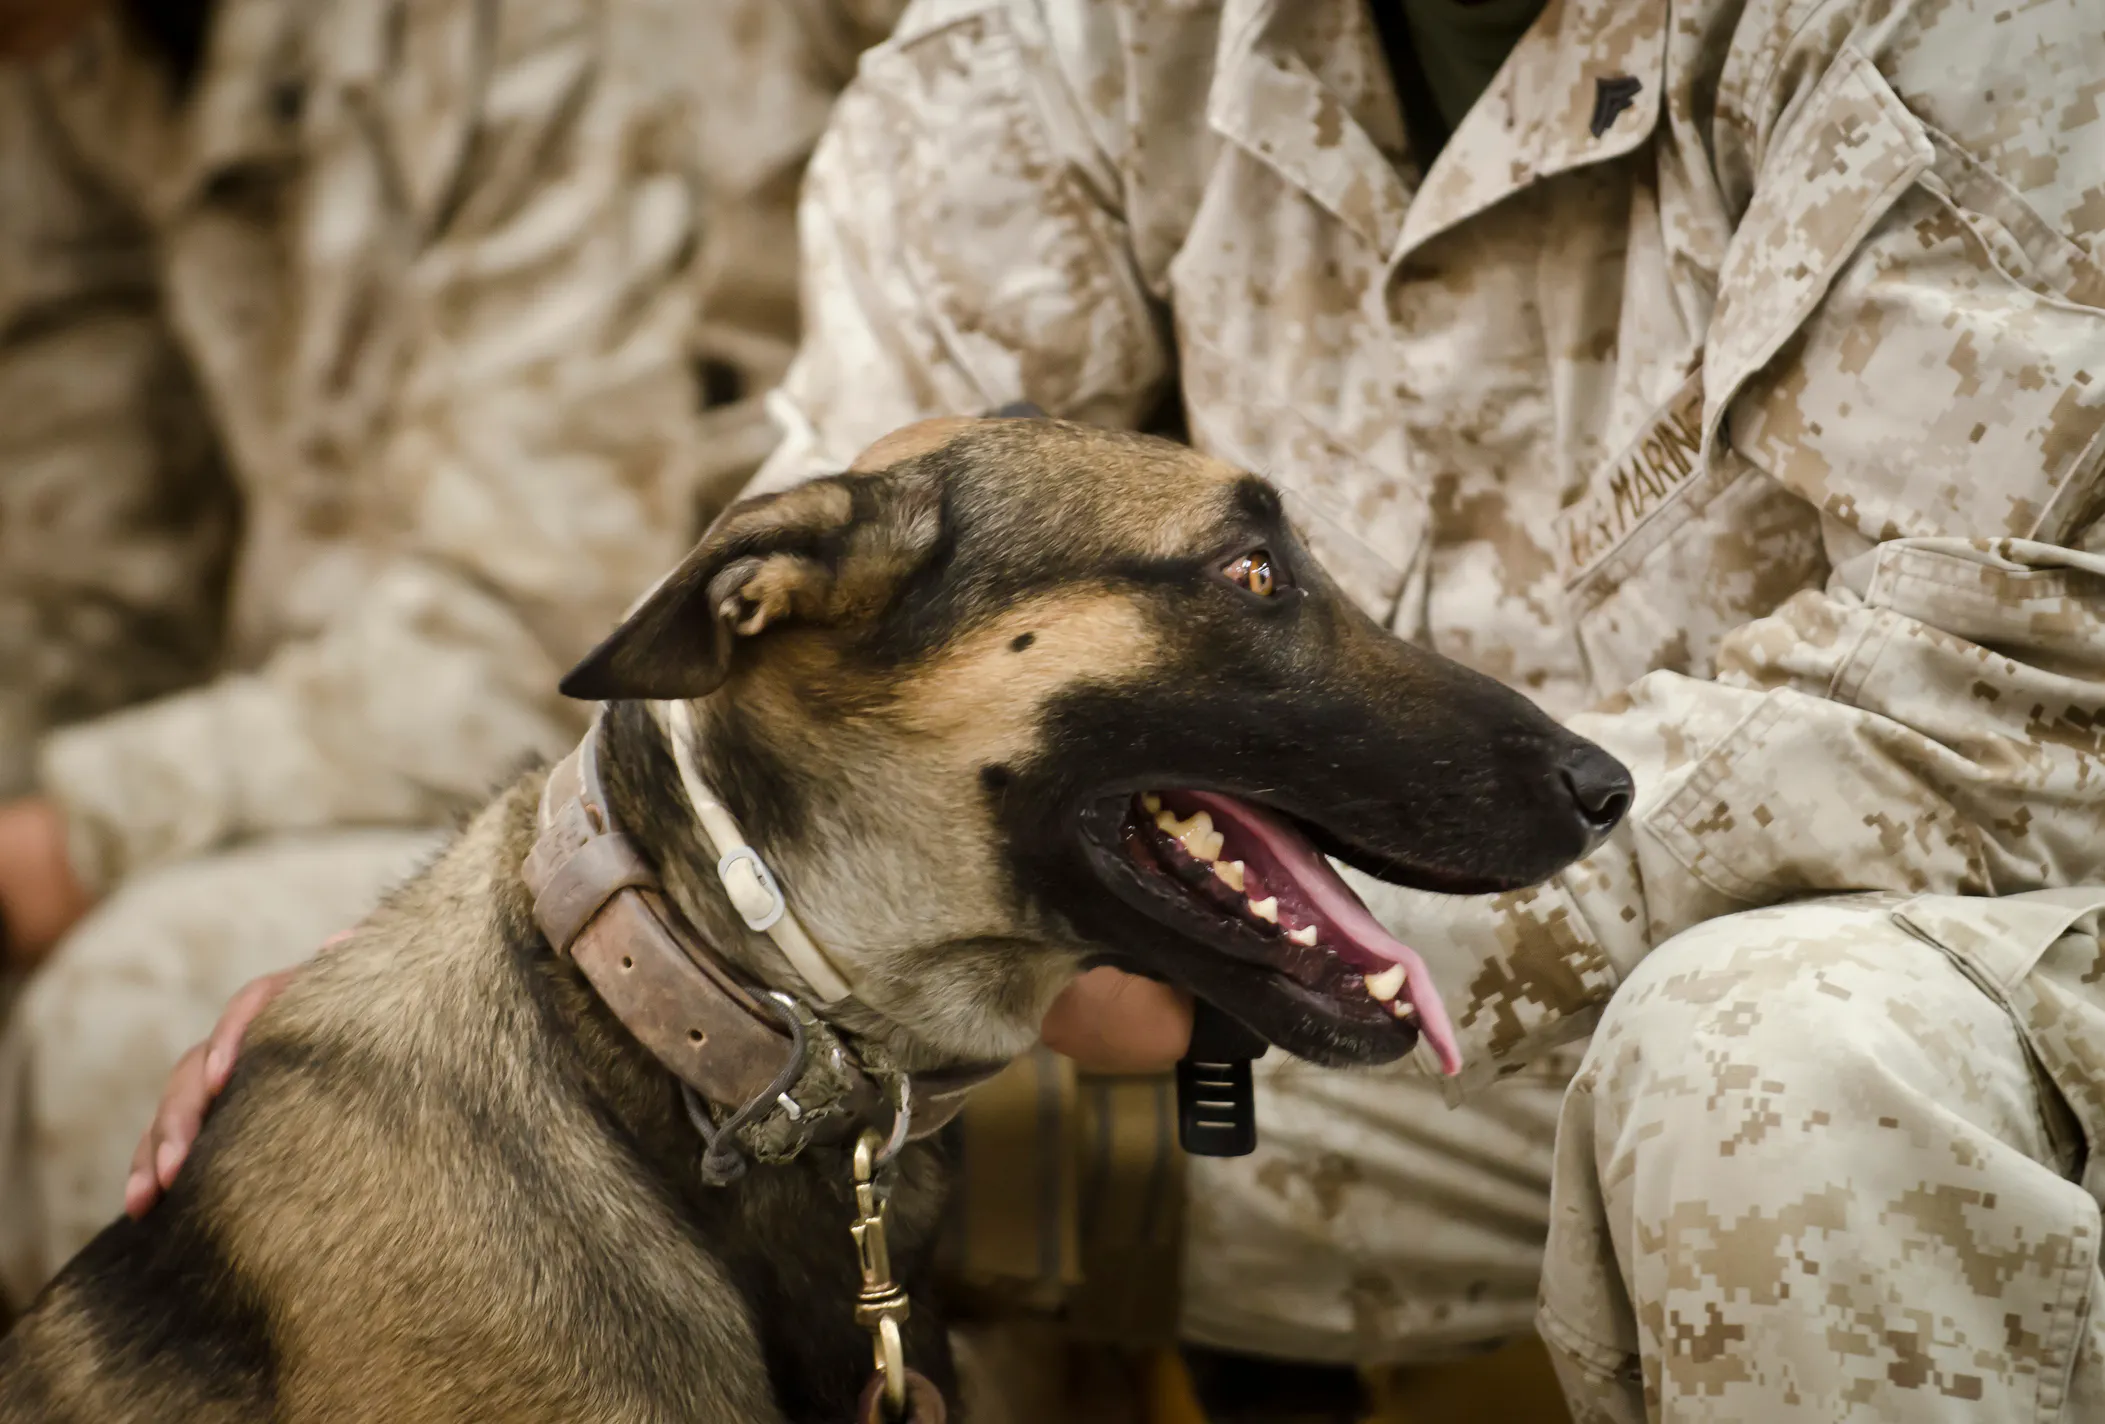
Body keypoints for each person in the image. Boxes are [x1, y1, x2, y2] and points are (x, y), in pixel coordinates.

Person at [130, 0, 2105, 1418]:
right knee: (416, 1084)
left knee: (1761, 1068)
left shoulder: (1958, 35)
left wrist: (1268, 923)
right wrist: (491, 964)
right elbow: (827, 631)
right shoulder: (1054, 41)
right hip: (1261, 991)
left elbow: (2009, 692)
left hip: (1925, 974)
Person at [0, 0, 905, 1307]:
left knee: (137, 1016)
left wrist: (66, 842)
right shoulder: (71, 59)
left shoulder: (540, 35)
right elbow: (83, 571)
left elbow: (548, 658)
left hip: (690, 810)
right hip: (355, 743)